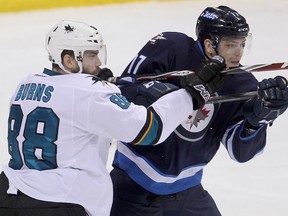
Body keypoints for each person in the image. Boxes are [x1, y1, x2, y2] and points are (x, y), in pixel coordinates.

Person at [0, 20, 227, 216]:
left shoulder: (26, 84)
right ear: (68, 60)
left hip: (9, 194)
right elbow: (149, 129)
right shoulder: (89, 92)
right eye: (91, 55)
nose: (99, 62)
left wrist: (105, 87)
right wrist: (191, 95)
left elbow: (74, 112)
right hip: (60, 204)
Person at [109, 6, 288, 216]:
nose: (238, 52)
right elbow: (122, 93)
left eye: (242, 44)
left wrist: (256, 121)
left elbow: (240, 153)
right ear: (209, 44)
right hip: (132, 189)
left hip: (188, 194)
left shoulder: (242, 83)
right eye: (231, 44)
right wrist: (169, 92)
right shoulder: (171, 48)